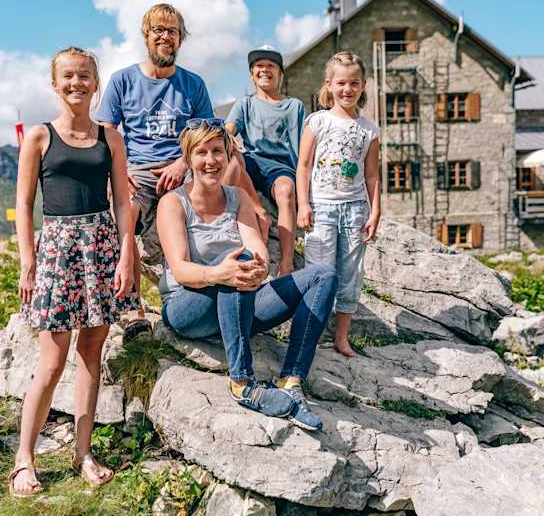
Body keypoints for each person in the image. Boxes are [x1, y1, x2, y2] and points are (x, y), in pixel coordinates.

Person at [157, 119, 338, 431]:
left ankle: (291, 380)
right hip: (188, 308)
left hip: (239, 303)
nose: (210, 161)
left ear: (229, 156)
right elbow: (181, 269)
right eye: (201, 153)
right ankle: (242, 382)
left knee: (323, 276)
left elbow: (257, 247)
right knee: (235, 268)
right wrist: (219, 272)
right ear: (188, 160)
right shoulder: (173, 203)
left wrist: (259, 265)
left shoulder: (237, 197)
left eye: (217, 151)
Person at [12, 47, 137, 496]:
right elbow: (25, 206)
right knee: (52, 358)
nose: (76, 84)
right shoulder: (40, 137)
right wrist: (29, 262)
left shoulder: (110, 137)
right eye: (67, 77)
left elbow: (123, 201)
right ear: (54, 83)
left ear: (96, 82)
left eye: (84, 76)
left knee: (91, 353)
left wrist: (126, 253)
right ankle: (24, 459)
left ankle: (83, 453)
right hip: (58, 250)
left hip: (102, 246)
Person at [95, 3, 218, 338]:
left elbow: (204, 134)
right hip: (138, 169)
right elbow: (106, 131)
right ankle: (132, 306)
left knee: (208, 200)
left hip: (182, 168)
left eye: (173, 31)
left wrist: (182, 163)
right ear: (146, 35)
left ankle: (199, 297)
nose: (166, 37)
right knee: (122, 212)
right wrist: (117, 172)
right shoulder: (123, 80)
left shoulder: (193, 84)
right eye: (159, 30)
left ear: (180, 38)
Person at [296, 52, 381, 357]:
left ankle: (341, 337)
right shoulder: (317, 121)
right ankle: (312, 333)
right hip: (322, 207)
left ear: (363, 85)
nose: (347, 89)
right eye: (341, 83)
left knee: (350, 274)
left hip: (355, 209)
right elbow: (303, 166)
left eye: (354, 83)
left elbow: (372, 174)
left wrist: (375, 211)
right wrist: (303, 204)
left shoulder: (370, 129)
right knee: (319, 272)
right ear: (329, 84)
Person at [226, 46, 304, 276]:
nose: (265, 70)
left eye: (271, 66)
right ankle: (238, 226)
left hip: (280, 168)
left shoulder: (293, 106)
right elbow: (228, 130)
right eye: (259, 66)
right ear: (252, 73)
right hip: (251, 162)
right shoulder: (245, 104)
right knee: (230, 162)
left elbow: (301, 150)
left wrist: (304, 191)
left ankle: (286, 262)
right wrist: (228, 137)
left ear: (280, 73)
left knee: (285, 190)